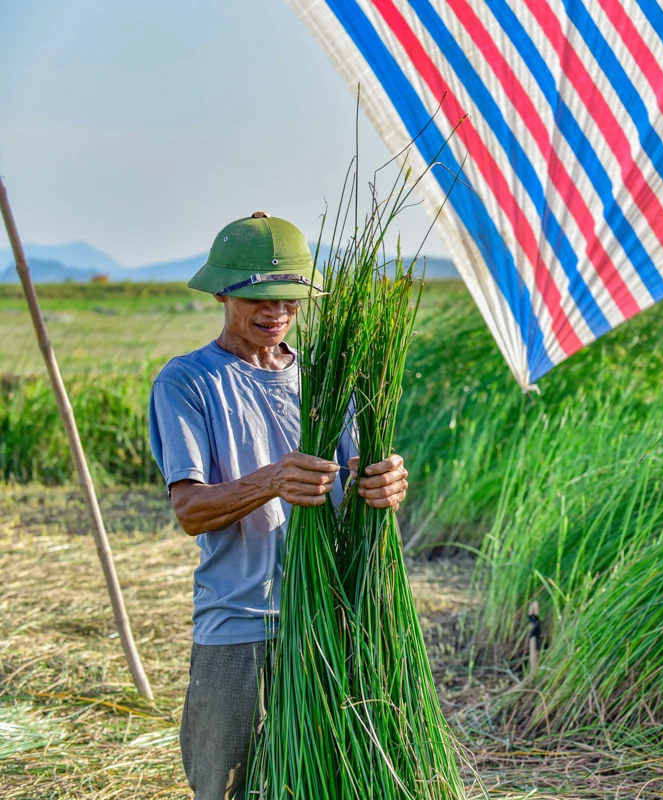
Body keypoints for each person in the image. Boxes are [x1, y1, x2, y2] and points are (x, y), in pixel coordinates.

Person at [148, 211, 410, 800]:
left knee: (331, 780)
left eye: (290, 300)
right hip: (239, 622)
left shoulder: (327, 377)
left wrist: (388, 484)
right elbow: (190, 510)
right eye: (259, 300)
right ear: (220, 291)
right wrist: (271, 480)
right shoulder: (187, 382)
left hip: (332, 616)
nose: (276, 313)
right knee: (226, 784)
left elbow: (362, 474)